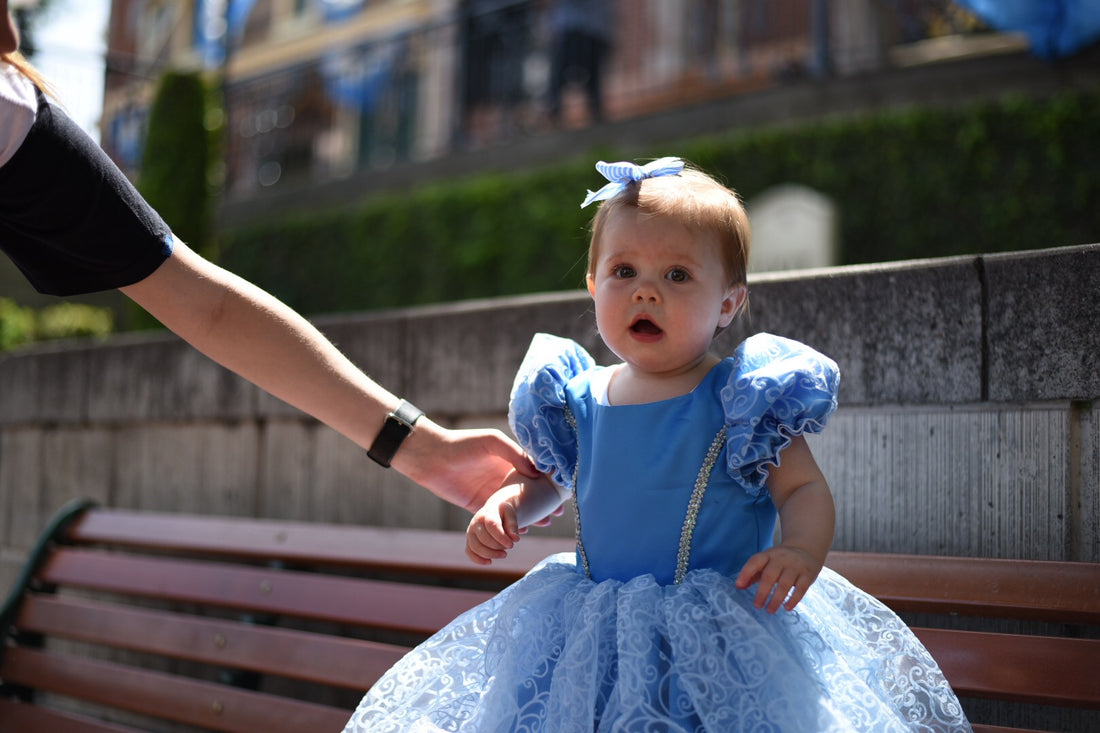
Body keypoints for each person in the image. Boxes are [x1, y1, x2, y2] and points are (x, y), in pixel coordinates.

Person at [343, 157, 973, 731]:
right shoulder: (576, 397)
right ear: (593, 286)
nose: (646, 290)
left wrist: (802, 549)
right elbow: (555, 481)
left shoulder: (742, 397)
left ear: (728, 303)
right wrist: (510, 504)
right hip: (594, 635)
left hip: (719, 630)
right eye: (625, 271)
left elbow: (802, 486)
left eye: (677, 274)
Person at [0, 2, 538, 512]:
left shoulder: (12, 117)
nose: (9, 36)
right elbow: (203, 305)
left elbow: (205, 303)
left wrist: (420, 446)